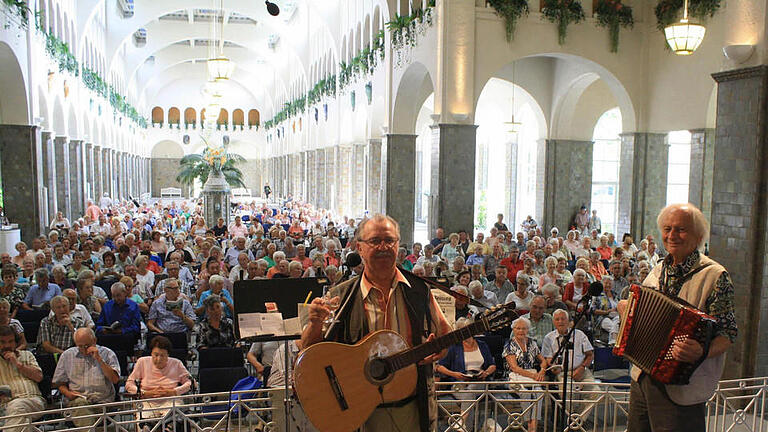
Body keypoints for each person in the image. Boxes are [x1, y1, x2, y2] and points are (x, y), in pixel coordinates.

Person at [301, 214, 452, 431]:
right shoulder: (340, 296)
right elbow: (308, 352)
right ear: (359, 248)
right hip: (357, 412)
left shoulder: (419, 291)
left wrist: (441, 348)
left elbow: (444, 335)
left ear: (398, 245)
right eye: (375, 241)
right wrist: (315, 324)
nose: (383, 246)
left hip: (411, 410)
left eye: (389, 240)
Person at [622, 203, 737, 432]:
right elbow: (641, 315)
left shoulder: (715, 276)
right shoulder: (657, 271)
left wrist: (701, 350)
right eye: (667, 229)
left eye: (681, 229)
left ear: (698, 235)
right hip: (642, 378)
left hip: (684, 387)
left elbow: (728, 333)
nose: (672, 235)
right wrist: (627, 311)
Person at [52, 328, 121, 427]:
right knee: (80, 406)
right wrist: (68, 393)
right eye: (80, 346)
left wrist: (99, 359)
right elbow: (59, 383)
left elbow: (115, 379)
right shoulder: (67, 355)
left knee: (84, 417)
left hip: (103, 404)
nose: (84, 350)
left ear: (95, 341)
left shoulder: (108, 353)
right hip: (77, 401)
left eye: (87, 346)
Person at [435, 317, 496, 428]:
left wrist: (486, 373)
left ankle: (462, 422)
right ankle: (466, 427)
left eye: (468, 330)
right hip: (459, 382)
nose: (466, 333)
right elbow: (439, 367)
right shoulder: (454, 347)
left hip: (480, 382)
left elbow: (492, 365)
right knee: (469, 395)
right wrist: (455, 374)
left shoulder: (482, 345)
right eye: (462, 331)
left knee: (471, 389)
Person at [125, 335, 192, 424]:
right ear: (151, 353)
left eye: (162, 355)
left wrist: (174, 392)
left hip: (170, 400)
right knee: (144, 423)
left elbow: (190, 383)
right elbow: (129, 384)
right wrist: (143, 393)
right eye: (155, 355)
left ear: (168, 355)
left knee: (174, 420)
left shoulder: (176, 363)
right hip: (147, 401)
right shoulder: (142, 362)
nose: (158, 359)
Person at [541, 309, 598, 409]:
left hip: (582, 370)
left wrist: (582, 368)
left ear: (568, 321)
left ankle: (579, 419)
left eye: (563, 319)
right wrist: (554, 367)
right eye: (557, 319)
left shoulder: (580, 335)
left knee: (596, 393)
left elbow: (590, 354)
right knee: (567, 393)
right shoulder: (548, 338)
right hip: (563, 373)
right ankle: (570, 419)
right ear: (553, 322)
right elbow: (548, 359)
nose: (560, 322)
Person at [503, 317, 546, 431]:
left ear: (528, 330)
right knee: (525, 393)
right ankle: (528, 423)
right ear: (513, 329)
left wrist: (542, 371)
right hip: (513, 377)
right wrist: (534, 376)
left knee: (539, 393)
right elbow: (514, 368)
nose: (521, 331)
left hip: (532, 377)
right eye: (518, 328)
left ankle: (533, 425)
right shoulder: (509, 345)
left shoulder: (532, 343)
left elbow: (543, 360)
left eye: (524, 328)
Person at [0, 325, 45, 432]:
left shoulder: (27, 355)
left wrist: (18, 364)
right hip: (5, 405)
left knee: (17, 407)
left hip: (33, 401)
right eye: (2, 342)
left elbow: (39, 377)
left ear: (15, 343)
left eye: (10, 341)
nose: (7, 345)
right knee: (23, 424)